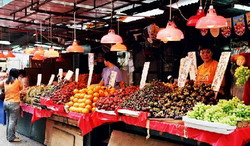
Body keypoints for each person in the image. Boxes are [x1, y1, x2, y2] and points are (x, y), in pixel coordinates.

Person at [0, 68, 23, 142]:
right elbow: (21, 89)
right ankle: (11, 138)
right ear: (16, 74)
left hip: (6, 102)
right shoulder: (17, 81)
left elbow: (0, 86)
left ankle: (8, 136)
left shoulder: (5, 81)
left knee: (8, 120)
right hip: (14, 103)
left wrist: (4, 77)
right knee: (12, 121)